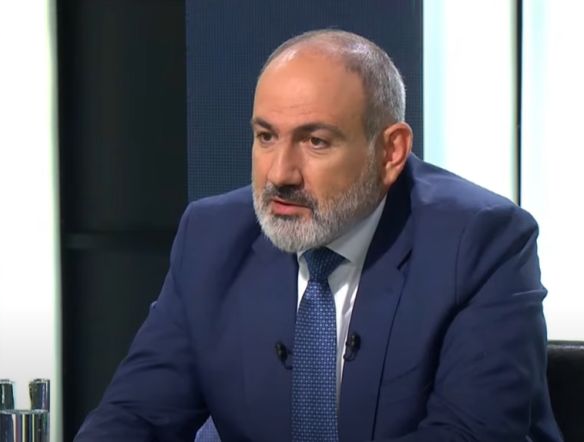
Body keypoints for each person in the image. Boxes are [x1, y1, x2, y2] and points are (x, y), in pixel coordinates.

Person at [75, 29, 562, 441]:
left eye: (315, 141)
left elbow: (469, 433)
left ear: (391, 152)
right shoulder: (211, 237)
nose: (280, 174)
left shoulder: (480, 242)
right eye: (266, 137)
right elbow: (136, 416)